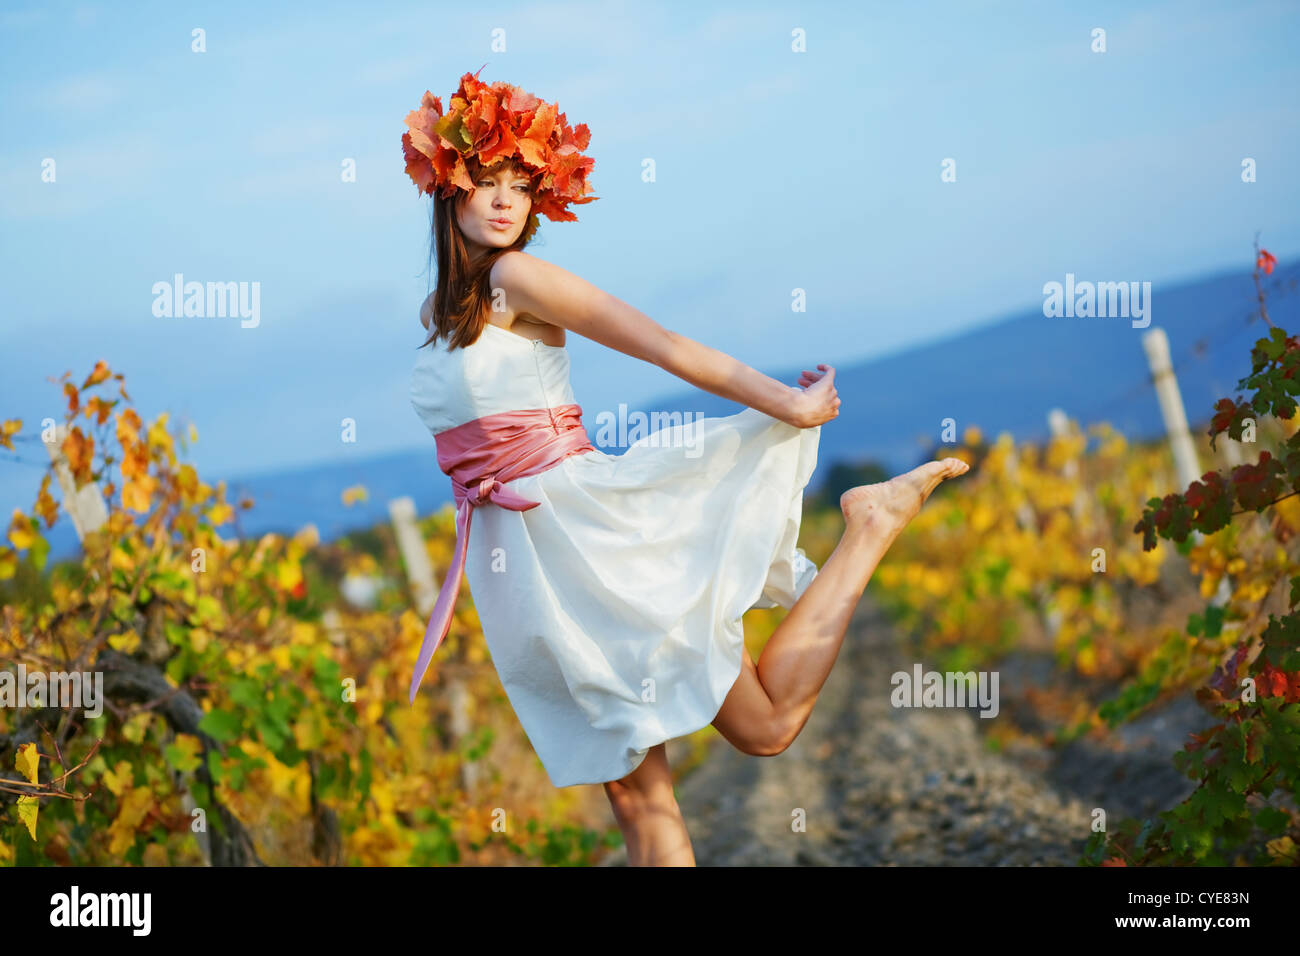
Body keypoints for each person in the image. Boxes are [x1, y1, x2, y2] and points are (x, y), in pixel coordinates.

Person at [403, 69, 970, 866]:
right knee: (637, 800)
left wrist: (787, 404)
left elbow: (659, 344)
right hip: (530, 568)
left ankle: (871, 525)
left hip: (593, 538)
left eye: (519, 185)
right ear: (449, 188)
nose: (505, 200)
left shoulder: (513, 277)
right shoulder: (444, 311)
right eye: (486, 181)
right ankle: (871, 523)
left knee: (764, 727)